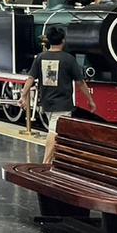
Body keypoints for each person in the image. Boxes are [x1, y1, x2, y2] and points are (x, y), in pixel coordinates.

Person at [19, 26, 94, 164]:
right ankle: (46, 162)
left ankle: (53, 160)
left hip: (47, 101)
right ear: (63, 40)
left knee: (55, 130)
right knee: (54, 131)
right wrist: (90, 100)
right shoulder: (69, 59)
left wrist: (23, 95)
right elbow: (80, 82)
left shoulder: (41, 57)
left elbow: (30, 78)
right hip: (63, 102)